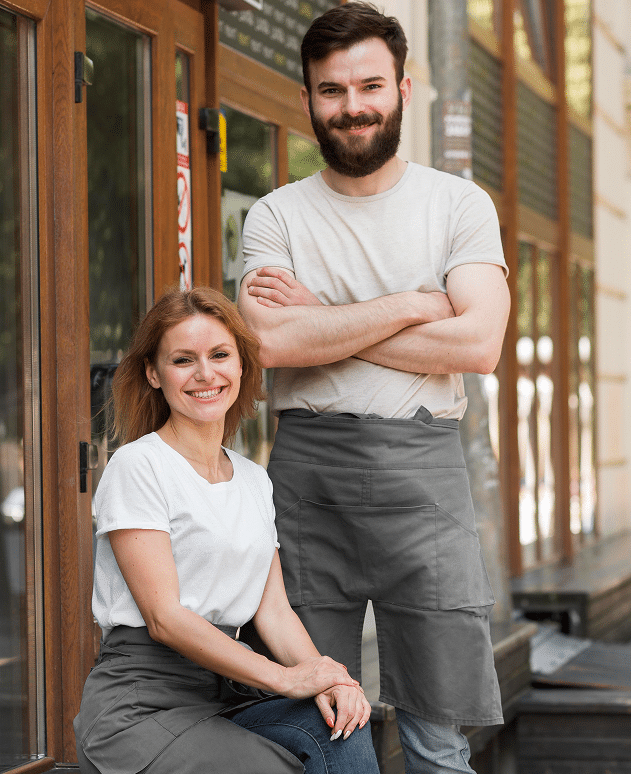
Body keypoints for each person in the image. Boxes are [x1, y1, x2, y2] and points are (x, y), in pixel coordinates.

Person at [237, 3, 511, 773]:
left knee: (434, 734)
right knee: (310, 717)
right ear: (306, 102)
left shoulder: (457, 205)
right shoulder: (275, 216)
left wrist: (327, 318)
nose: (351, 106)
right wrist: (410, 308)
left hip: (423, 474)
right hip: (305, 477)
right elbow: (271, 341)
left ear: (402, 89)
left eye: (368, 86)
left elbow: (478, 344)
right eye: (330, 91)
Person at [73, 287, 380, 774]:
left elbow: (274, 611)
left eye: (220, 355)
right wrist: (286, 680)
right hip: (140, 706)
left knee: (341, 728)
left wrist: (328, 680)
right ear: (153, 373)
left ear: (241, 367)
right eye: (182, 359)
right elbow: (165, 619)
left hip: (225, 695)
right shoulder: (139, 466)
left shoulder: (254, 481)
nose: (205, 373)